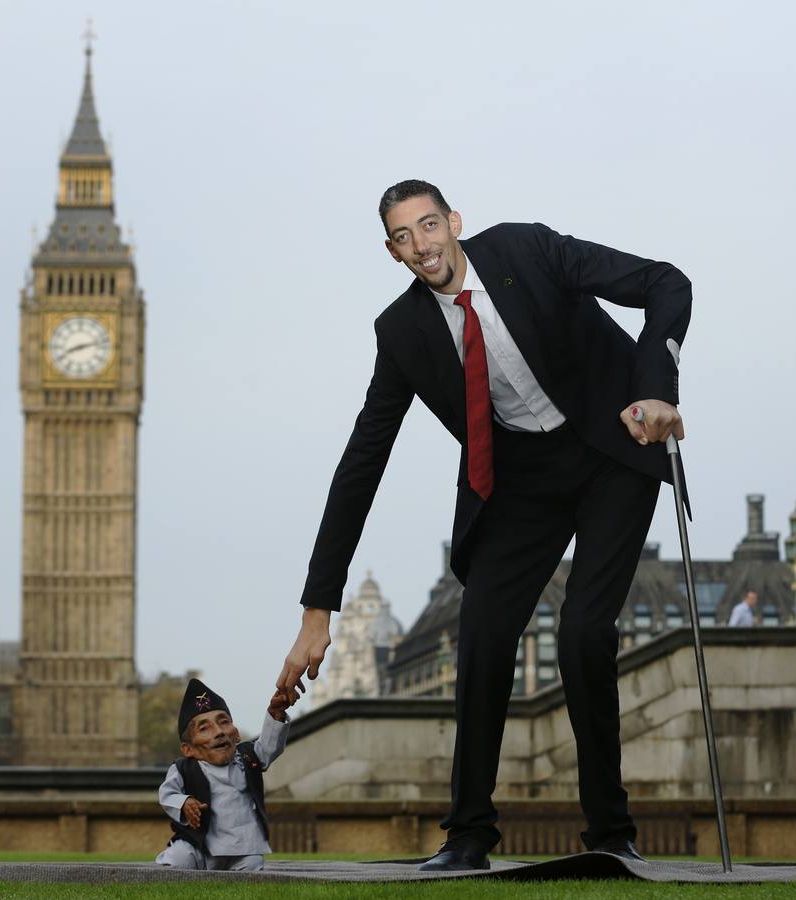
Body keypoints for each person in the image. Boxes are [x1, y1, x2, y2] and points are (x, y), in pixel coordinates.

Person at [276, 180, 692, 871]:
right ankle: (467, 835)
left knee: (584, 631)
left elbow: (665, 283)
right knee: (481, 635)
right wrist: (317, 607)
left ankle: (611, 831)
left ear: (454, 222)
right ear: (392, 252)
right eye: (404, 237)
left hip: (610, 447)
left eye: (429, 225)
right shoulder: (401, 331)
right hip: (520, 481)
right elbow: (361, 463)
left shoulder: (526, 249)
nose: (422, 245)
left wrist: (656, 388)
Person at [154, 678, 291, 871]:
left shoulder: (247, 757)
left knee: (252, 866)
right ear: (188, 749)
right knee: (180, 859)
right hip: (200, 845)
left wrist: (276, 715)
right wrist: (184, 802)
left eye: (224, 722)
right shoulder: (184, 768)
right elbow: (167, 794)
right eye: (204, 728)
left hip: (243, 846)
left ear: (236, 734)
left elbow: (269, 747)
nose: (218, 732)